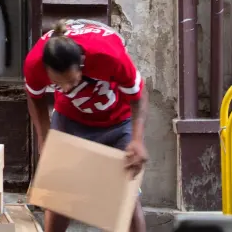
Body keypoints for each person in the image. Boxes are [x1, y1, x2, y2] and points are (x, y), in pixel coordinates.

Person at [24, 20, 147, 232]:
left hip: (118, 120)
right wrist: (44, 140)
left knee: (126, 197)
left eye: (71, 81)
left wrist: (137, 140)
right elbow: (35, 97)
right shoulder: (34, 64)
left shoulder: (109, 55)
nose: (66, 88)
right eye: (58, 84)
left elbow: (139, 95)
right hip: (70, 120)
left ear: (82, 63)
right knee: (58, 194)